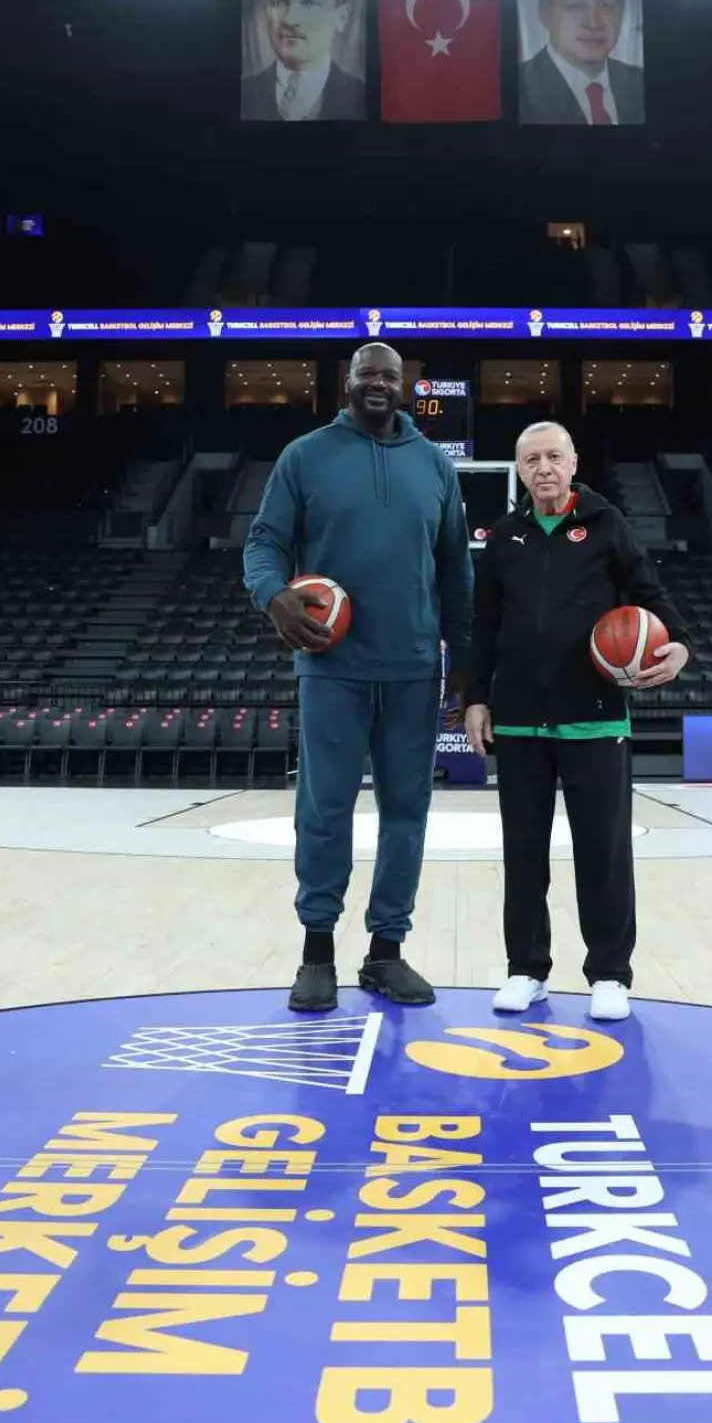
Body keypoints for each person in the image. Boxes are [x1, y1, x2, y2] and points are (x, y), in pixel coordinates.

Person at [244, 343, 473, 1012]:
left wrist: (463, 659)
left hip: (412, 668)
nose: (378, 383)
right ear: (347, 383)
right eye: (367, 374)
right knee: (324, 809)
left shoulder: (435, 466)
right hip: (332, 666)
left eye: (390, 376)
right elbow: (263, 542)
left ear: (405, 387)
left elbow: (456, 570)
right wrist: (273, 595)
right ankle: (317, 954)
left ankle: (386, 952)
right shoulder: (305, 456)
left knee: (407, 813)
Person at [464, 422, 689, 1022]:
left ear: (573, 463)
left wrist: (680, 645)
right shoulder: (504, 535)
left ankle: (610, 974)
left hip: (594, 716)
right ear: (519, 470)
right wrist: (475, 698)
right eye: (531, 460)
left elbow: (652, 598)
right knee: (523, 854)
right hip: (518, 720)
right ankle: (526, 969)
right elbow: (483, 626)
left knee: (603, 852)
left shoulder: (607, 524)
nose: (543, 468)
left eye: (553, 457)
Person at [519, 0, 645, 127]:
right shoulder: (520, 87)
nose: (593, 23)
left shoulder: (639, 82)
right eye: (575, 6)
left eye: (606, 6)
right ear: (545, 16)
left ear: (622, 14)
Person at [241, 0, 366, 123]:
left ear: (342, 16)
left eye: (309, 2)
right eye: (278, 2)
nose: (289, 19)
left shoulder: (361, 97)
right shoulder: (244, 92)